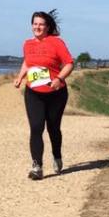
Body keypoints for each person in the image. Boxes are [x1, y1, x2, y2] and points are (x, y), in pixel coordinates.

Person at [13, 10, 74, 180]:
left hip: (55, 93)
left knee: (53, 128)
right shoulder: (27, 44)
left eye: (41, 24)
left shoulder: (56, 43)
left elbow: (69, 63)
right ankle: (37, 167)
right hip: (33, 92)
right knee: (36, 127)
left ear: (47, 27)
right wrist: (20, 77)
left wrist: (59, 79)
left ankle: (57, 155)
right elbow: (28, 62)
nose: (37, 27)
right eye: (35, 24)